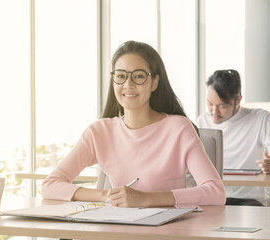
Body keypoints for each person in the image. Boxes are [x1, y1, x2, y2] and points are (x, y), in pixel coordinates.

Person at [42, 40, 226, 207]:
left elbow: (216, 192)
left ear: (154, 82)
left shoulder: (179, 128)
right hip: (118, 229)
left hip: (166, 231)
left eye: (138, 76)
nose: (128, 84)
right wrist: (107, 196)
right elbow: (51, 185)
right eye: (121, 76)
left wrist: (146, 199)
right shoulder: (99, 132)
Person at [198, 69, 270, 206]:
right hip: (212, 198)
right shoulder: (203, 120)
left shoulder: (261, 119)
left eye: (222, 106)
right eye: (210, 104)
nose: (214, 112)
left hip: (248, 199)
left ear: (238, 100)